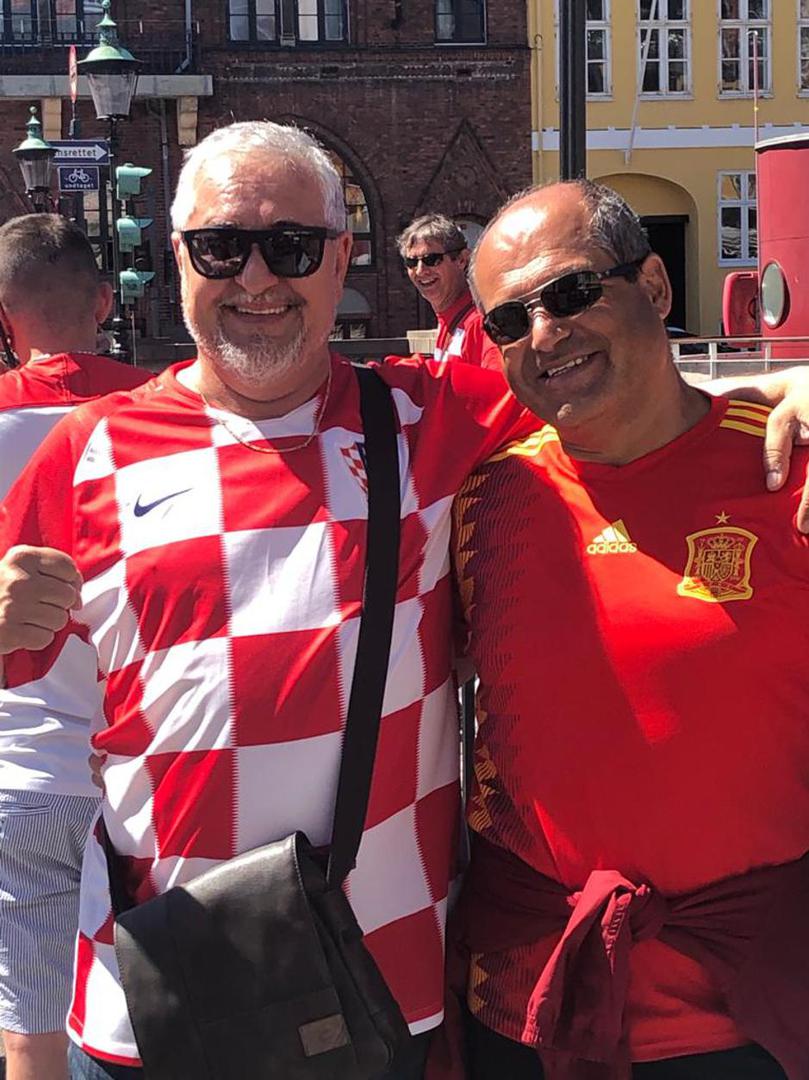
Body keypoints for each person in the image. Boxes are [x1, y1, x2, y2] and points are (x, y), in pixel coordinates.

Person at [0, 134, 806, 1080]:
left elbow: (621, 393)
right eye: (221, 247)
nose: (256, 278)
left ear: (342, 256)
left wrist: (783, 384)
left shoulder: (432, 419)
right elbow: (28, 740)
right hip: (160, 1002)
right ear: (178, 256)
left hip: (385, 999)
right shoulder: (85, 453)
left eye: (293, 246)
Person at [447, 179, 809, 1079]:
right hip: (530, 1002)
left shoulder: (787, 472)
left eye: (572, 293)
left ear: (652, 286)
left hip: (751, 1009)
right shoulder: (482, 500)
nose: (544, 335)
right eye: (508, 321)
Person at [0, 214, 150, 1080]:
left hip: (23, 767)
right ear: (103, 302)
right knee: (171, 1022)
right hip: (145, 776)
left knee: (32, 1036)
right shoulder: (162, 414)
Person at [398, 214, 501, 370]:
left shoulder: (481, 323)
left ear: (462, 260)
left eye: (431, 260)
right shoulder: (448, 319)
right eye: (411, 262)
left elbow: (499, 382)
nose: (420, 271)